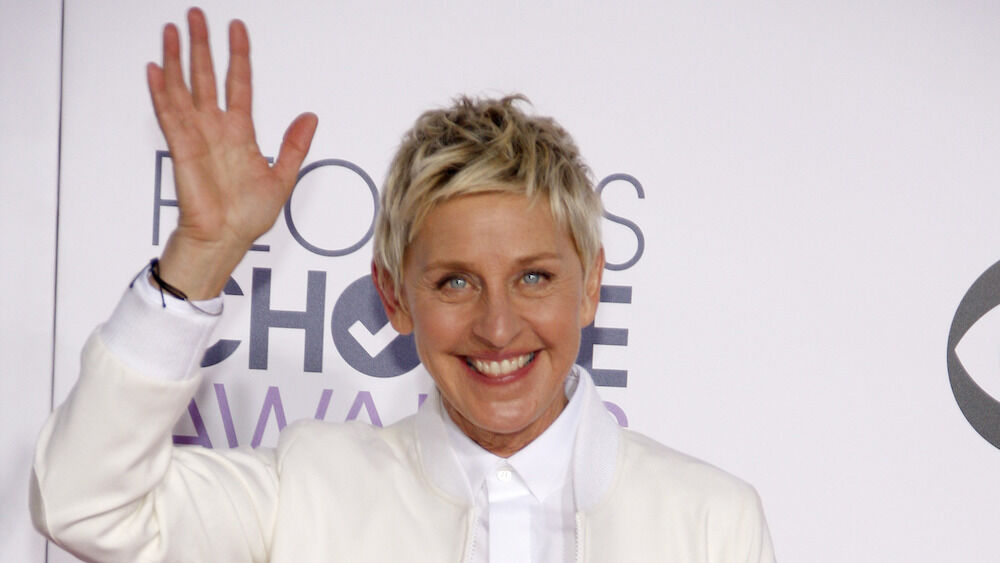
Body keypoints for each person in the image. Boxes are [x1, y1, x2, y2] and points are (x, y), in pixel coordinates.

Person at [30, 8, 775, 562]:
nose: (498, 326)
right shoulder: (309, 488)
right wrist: (200, 251)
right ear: (394, 298)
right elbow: (84, 504)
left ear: (591, 287)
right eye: (455, 282)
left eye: (535, 277)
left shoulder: (711, 522)